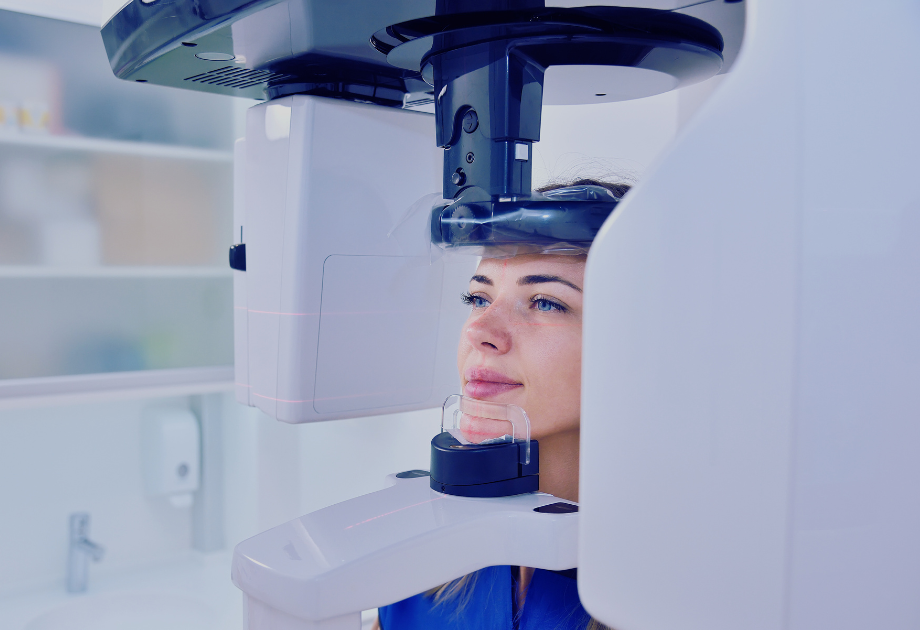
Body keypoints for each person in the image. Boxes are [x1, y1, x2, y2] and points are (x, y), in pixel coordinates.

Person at [376, 179, 630, 630]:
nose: (480, 331)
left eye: (546, 302)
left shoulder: (679, 591)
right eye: (478, 297)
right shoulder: (416, 562)